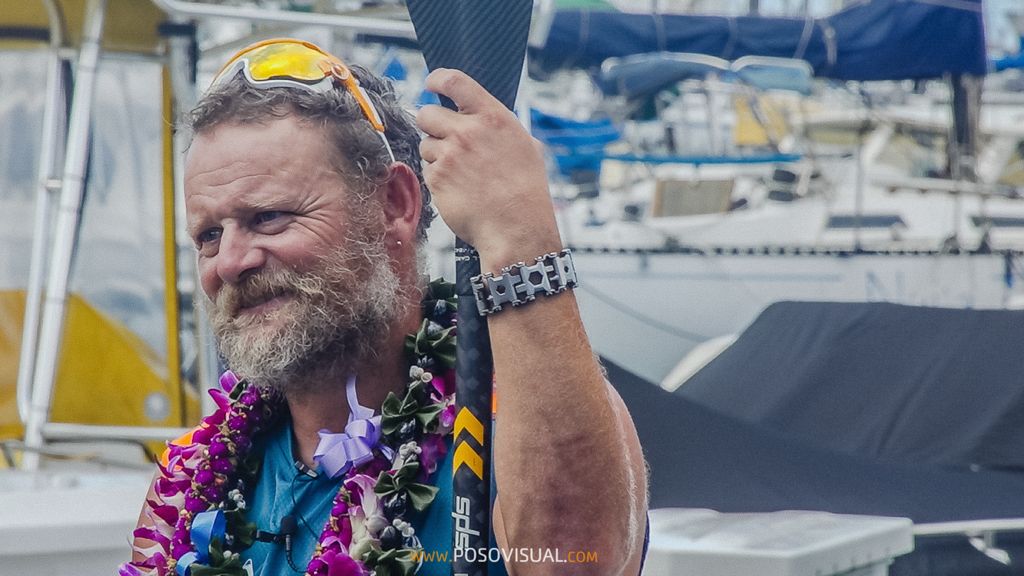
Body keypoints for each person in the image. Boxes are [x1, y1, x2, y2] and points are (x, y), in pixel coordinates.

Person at [121, 38, 647, 576]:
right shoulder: (191, 480)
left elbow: (573, 565)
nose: (229, 262)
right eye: (209, 234)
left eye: (270, 217)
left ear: (394, 204)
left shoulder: (508, 416)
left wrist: (518, 237)